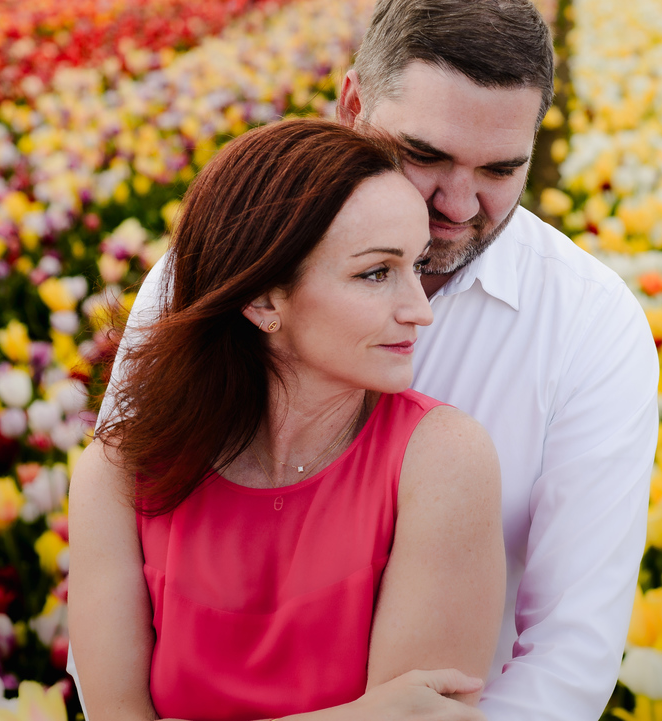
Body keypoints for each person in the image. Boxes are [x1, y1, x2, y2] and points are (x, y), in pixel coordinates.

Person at [78, 0, 660, 720]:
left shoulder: (590, 324)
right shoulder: (202, 278)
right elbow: (121, 585)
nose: (457, 203)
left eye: (499, 170)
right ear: (353, 103)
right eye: (426, 154)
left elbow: (569, 653)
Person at [69, 119, 505, 720]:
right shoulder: (121, 474)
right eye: (376, 273)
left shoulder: (443, 462)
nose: (419, 310)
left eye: (417, 265)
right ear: (263, 300)